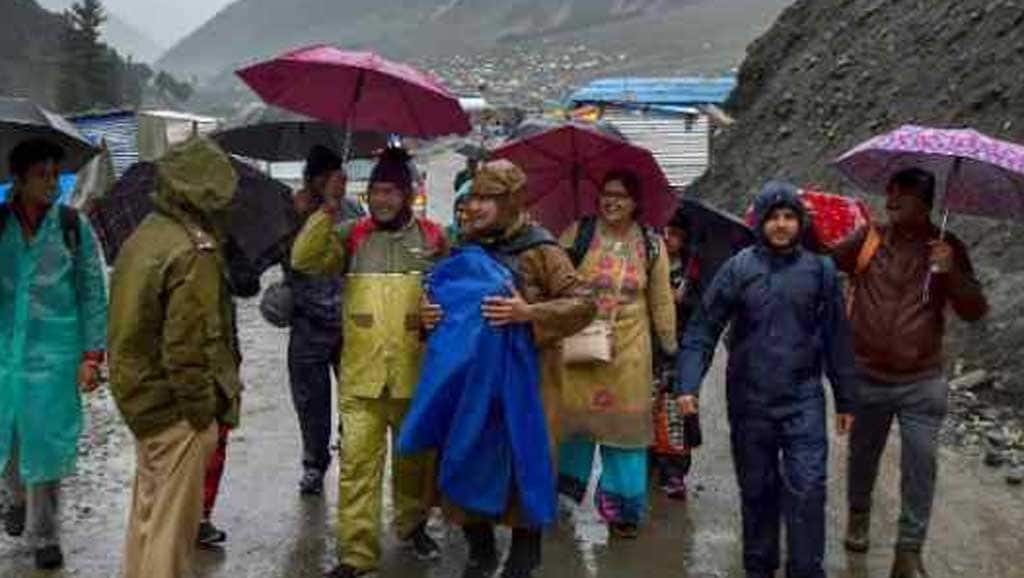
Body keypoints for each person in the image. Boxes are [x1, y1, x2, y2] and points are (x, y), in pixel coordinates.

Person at [420, 160, 596, 578]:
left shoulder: (543, 250)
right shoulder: (463, 247)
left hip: (529, 381)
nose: (474, 207)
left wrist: (527, 312)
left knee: (524, 462)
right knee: (467, 453)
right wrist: (425, 318)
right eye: (472, 198)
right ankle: (479, 550)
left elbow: (584, 304)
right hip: (472, 380)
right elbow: (439, 303)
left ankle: (524, 553)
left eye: (486, 199)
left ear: (512, 202)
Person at [675, 181, 858, 578]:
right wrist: (688, 385)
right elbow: (703, 330)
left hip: (803, 400)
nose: (781, 224)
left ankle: (806, 570)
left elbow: (837, 338)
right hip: (749, 402)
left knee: (808, 491)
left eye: (789, 216)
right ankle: (759, 568)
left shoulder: (821, 271)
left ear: (800, 222)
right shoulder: (739, 268)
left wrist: (846, 399)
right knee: (758, 493)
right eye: (773, 217)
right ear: (760, 221)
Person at [291, 147, 447, 578]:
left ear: (409, 194)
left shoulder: (434, 238)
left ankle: (412, 525)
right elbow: (303, 259)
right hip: (361, 377)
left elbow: (453, 292)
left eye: (391, 191)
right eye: (376, 190)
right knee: (358, 465)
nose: (382, 200)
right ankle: (356, 555)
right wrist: (326, 205)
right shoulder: (350, 235)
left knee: (413, 461)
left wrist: (439, 314)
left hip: (415, 375)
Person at [834, 168, 988, 578]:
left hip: (921, 380)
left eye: (903, 193)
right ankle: (859, 515)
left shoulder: (947, 245)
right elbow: (825, 262)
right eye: (891, 192)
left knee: (922, 463)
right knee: (863, 456)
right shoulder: (868, 239)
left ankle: (908, 552)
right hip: (867, 375)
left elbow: (975, 310)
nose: (892, 199)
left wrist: (950, 270)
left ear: (925, 201)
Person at [108, 136, 243, 578]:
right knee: (172, 532)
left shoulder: (145, 234)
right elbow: (187, 348)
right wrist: (201, 416)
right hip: (175, 412)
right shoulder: (193, 251)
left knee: (146, 517)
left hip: (140, 399)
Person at [0, 139, 108, 571]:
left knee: (45, 442)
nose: (50, 183)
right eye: (41, 175)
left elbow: (92, 292)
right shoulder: (0, 225)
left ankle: (45, 534)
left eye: (53, 174)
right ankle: (14, 496)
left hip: (55, 355)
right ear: (19, 179)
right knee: (8, 435)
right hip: (5, 352)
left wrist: (91, 356)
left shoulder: (71, 226)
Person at [557, 169, 677, 539]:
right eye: (607, 193)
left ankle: (622, 510)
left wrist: (671, 350)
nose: (612, 201)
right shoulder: (578, 233)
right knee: (575, 422)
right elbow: (554, 279)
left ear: (635, 202)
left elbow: (660, 299)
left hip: (629, 353)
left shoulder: (652, 244)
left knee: (625, 431)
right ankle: (562, 495)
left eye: (621, 196)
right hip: (581, 348)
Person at [287, 145, 364, 497]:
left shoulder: (353, 210)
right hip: (308, 325)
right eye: (329, 178)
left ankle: (355, 454)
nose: (338, 183)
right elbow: (286, 260)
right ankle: (314, 463)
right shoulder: (294, 211)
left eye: (339, 176)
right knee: (311, 402)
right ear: (314, 180)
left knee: (356, 397)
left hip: (349, 323)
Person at [650, 213, 703, 500]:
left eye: (674, 234)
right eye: (664, 231)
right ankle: (649, 462)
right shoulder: (647, 266)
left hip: (680, 350)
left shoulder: (693, 273)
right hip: (649, 348)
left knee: (675, 410)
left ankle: (674, 472)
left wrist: (684, 301)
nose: (668, 238)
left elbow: (704, 312)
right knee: (647, 405)